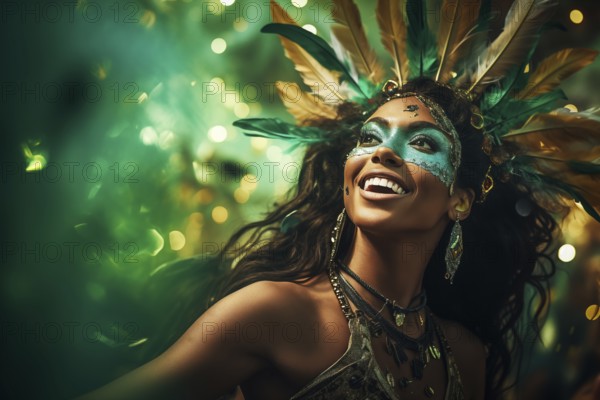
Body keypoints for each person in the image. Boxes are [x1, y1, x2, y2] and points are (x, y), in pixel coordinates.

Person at [76, 0, 600, 399]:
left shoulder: (466, 354)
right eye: (369, 138)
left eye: (421, 143)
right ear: (346, 174)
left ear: (460, 201)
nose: (382, 154)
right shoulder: (272, 312)